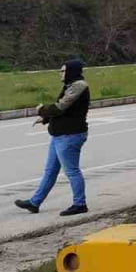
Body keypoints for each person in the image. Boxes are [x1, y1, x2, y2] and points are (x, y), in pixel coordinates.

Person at [14, 59, 91, 216]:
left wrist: (42, 110)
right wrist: (46, 119)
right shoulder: (70, 85)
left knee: (72, 171)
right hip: (60, 135)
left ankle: (80, 204)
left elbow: (61, 107)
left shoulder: (79, 86)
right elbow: (65, 111)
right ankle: (34, 203)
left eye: (63, 71)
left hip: (70, 135)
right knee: (50, 171)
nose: (60, 74)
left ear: (71, 71)